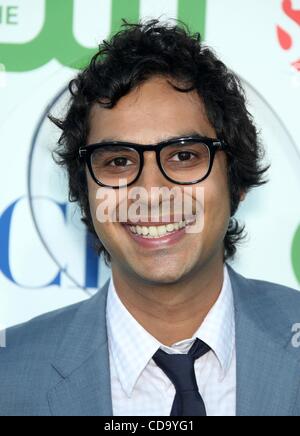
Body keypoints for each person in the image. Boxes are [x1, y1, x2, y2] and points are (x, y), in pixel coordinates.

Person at [1, 19, 300, 417]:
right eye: (119, 161)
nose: (151, 193)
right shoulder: (11, 376)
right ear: (85, 194)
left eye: (183, 155)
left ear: (236, 181)